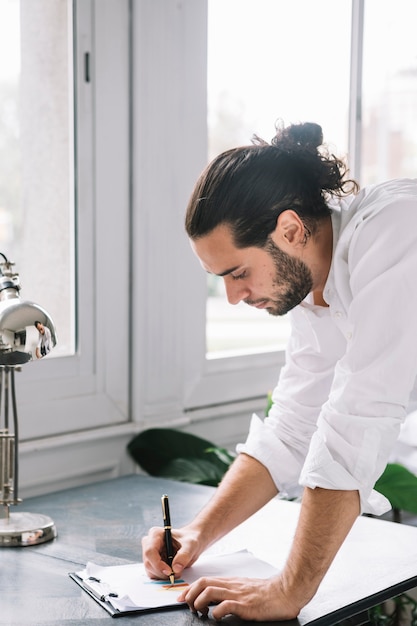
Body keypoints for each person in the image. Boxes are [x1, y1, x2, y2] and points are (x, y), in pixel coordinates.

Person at [142, 121, 417, 621]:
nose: (233, 296)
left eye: (238, 272)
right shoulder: (317, 293)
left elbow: (359, 418)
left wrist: (289, 589)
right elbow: (291, 430)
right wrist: (197, 533)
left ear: (290, 230)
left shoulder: (396, 229)